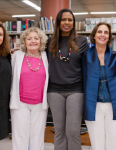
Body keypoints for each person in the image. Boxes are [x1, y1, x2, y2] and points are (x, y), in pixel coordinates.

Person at [46, 8, 89, 150]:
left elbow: (91, 61)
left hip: (76, 90)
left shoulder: (82, 41)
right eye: (63, 19)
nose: (67, 22)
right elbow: (33, 52)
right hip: (54, 91)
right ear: (58, 22)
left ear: (73, 23)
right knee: (59, 130)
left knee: (73, 131)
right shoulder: (49, 41)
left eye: (70, 20)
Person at [82, 22, 116, 150]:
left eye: (106, 32)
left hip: (113, 105)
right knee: (97, 144)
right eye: (100, 32)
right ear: (94, 35)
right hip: (93, 105)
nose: (102, 35)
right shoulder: (85, 56)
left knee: (114, 143)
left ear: (109, 37)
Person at [10, 27, 48, 150]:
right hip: (20, 103)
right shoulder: (16, 56)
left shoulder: (46, 57)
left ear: (41, 41)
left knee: (37, 137)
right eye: (29, 38)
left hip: (40, 103)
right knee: (20, 137)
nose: (33, 41)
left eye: (36, 38)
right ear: (24, 41)